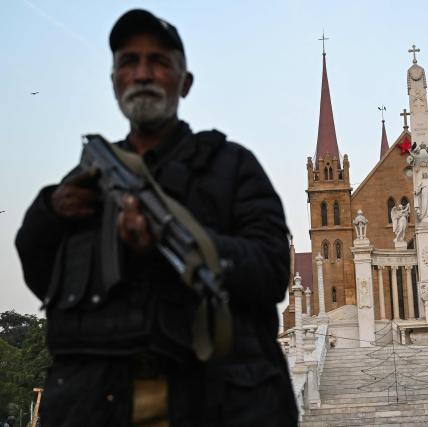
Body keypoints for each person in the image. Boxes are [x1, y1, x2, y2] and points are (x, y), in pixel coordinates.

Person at [15, 9, 297, 427]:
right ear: (114, 81)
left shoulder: (231, 167)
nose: (143, 73)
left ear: (185, 83)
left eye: (159, 62)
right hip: (97, 406)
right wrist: (50, 212)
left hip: (212, 404)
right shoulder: (84, 181)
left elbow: (273, 269)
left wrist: (184, 245)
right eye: (129, 62)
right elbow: (42, 274)